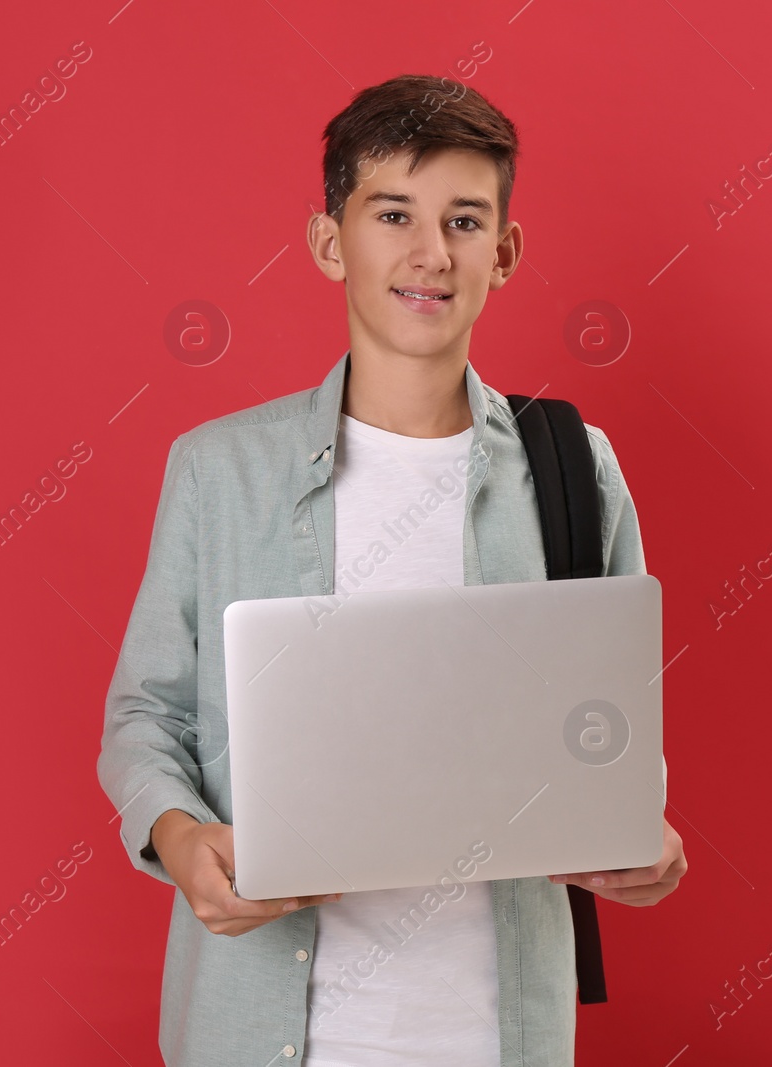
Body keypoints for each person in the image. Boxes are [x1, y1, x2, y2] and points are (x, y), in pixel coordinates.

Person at [97, 72, 687, 1067]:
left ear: (503, 252)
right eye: (392, 214)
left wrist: (645, 837)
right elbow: (146, 713)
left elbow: (612, 726)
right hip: (264, 1030)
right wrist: (180, 835)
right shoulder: (217, 469)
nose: (429, 253)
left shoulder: (573, 467)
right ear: (332, 241)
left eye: (463, 220)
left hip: (497, 1033)